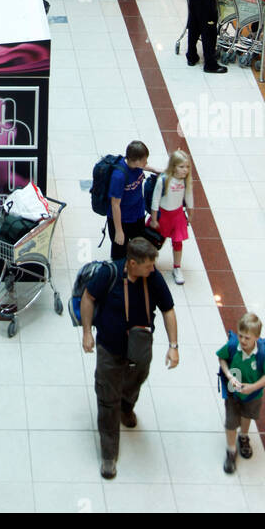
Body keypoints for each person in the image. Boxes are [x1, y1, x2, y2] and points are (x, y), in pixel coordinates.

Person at [82, 236, 178, 479]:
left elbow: (168, 309)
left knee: (137, 379)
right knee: (107, 398)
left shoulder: (152, 278)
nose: (153, 269)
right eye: (148, 265)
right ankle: (108, 454)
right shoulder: (109, 274)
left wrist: (173, 345)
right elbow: (88, 298)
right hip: (109, 349)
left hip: (140, 349)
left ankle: (127, 406)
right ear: (132, 263)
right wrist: (86, 333)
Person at [217, 312, 265, 475]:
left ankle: (243, 436)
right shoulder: (232, 346)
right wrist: (228, 374)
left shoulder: (262, 355)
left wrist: (253, 387)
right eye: (241, 336)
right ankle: (231, 450)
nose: (243, 341)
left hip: (252, 395)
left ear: (256, 337)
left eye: (247, 338)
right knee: (230, 422)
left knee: (247, 416)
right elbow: (221, 358)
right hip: (233, 394)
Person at [148, 150, 193, 285]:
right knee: (153, 241)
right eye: (181, 167)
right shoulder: (163, 180)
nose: (185, 170)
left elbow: (189, 197)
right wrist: (154, 219)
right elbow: (155, 200)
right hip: (162, 216)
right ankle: (150, 264)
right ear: (173, 166)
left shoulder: (186, 181)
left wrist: (190, 213)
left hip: (177, 216)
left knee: (178, 242)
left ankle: (177, 268)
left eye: (187, 167)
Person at [107, 140, 151, 258]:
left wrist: (156, 170)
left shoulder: (136, 166)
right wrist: (119, 231)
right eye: (144, 160)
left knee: (140, 250)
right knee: (119, 255)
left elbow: (144, 167)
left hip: (137, 215)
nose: (146, 162)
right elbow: (115, 204)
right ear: (136, 161)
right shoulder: (119, 176)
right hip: (122, 220)